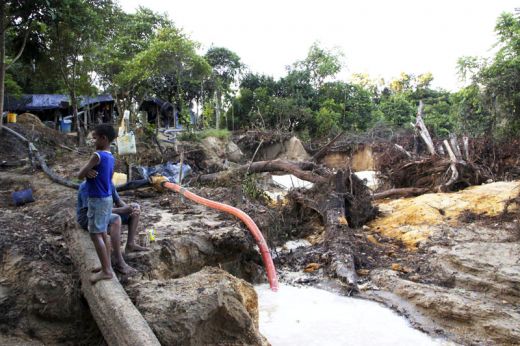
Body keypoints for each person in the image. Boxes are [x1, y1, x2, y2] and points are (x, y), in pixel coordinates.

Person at [77, 124, 118, 284]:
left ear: (104, 138)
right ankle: (105, 266)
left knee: (95, 234)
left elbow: (79, 175)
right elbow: (109, 176)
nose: (93, 141)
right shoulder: (110, 156)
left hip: (97, 199)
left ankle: (107, 271)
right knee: (102, 233)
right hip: (107, 198)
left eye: (95, 138)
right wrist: (91, 174)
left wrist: (86, 172)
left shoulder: (97, 155)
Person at [77, 181, 147, 254]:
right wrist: (122, 210)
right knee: (115, 220)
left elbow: (118, 201)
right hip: (88, 218)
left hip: (106, 213)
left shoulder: (108, 182)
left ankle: (130, 244)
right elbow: (93, 212)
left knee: (135, 207)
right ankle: (117, 256)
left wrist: (130, 208)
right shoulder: (86, 186)